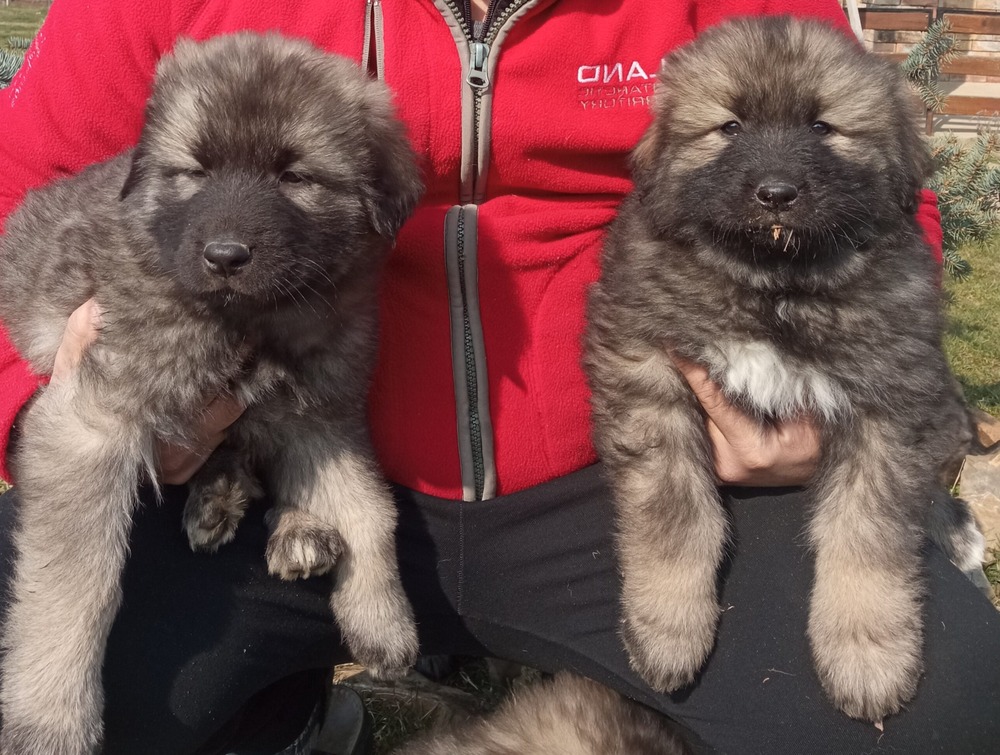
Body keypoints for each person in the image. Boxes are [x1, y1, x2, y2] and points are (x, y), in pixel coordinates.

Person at [0, 0, 996, 753]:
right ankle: (276, 710)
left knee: (936, 704)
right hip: (266, 467)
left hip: (633, 476)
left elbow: (870, 176)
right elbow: (18, 187)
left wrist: (837, 385)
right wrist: (39, 395)